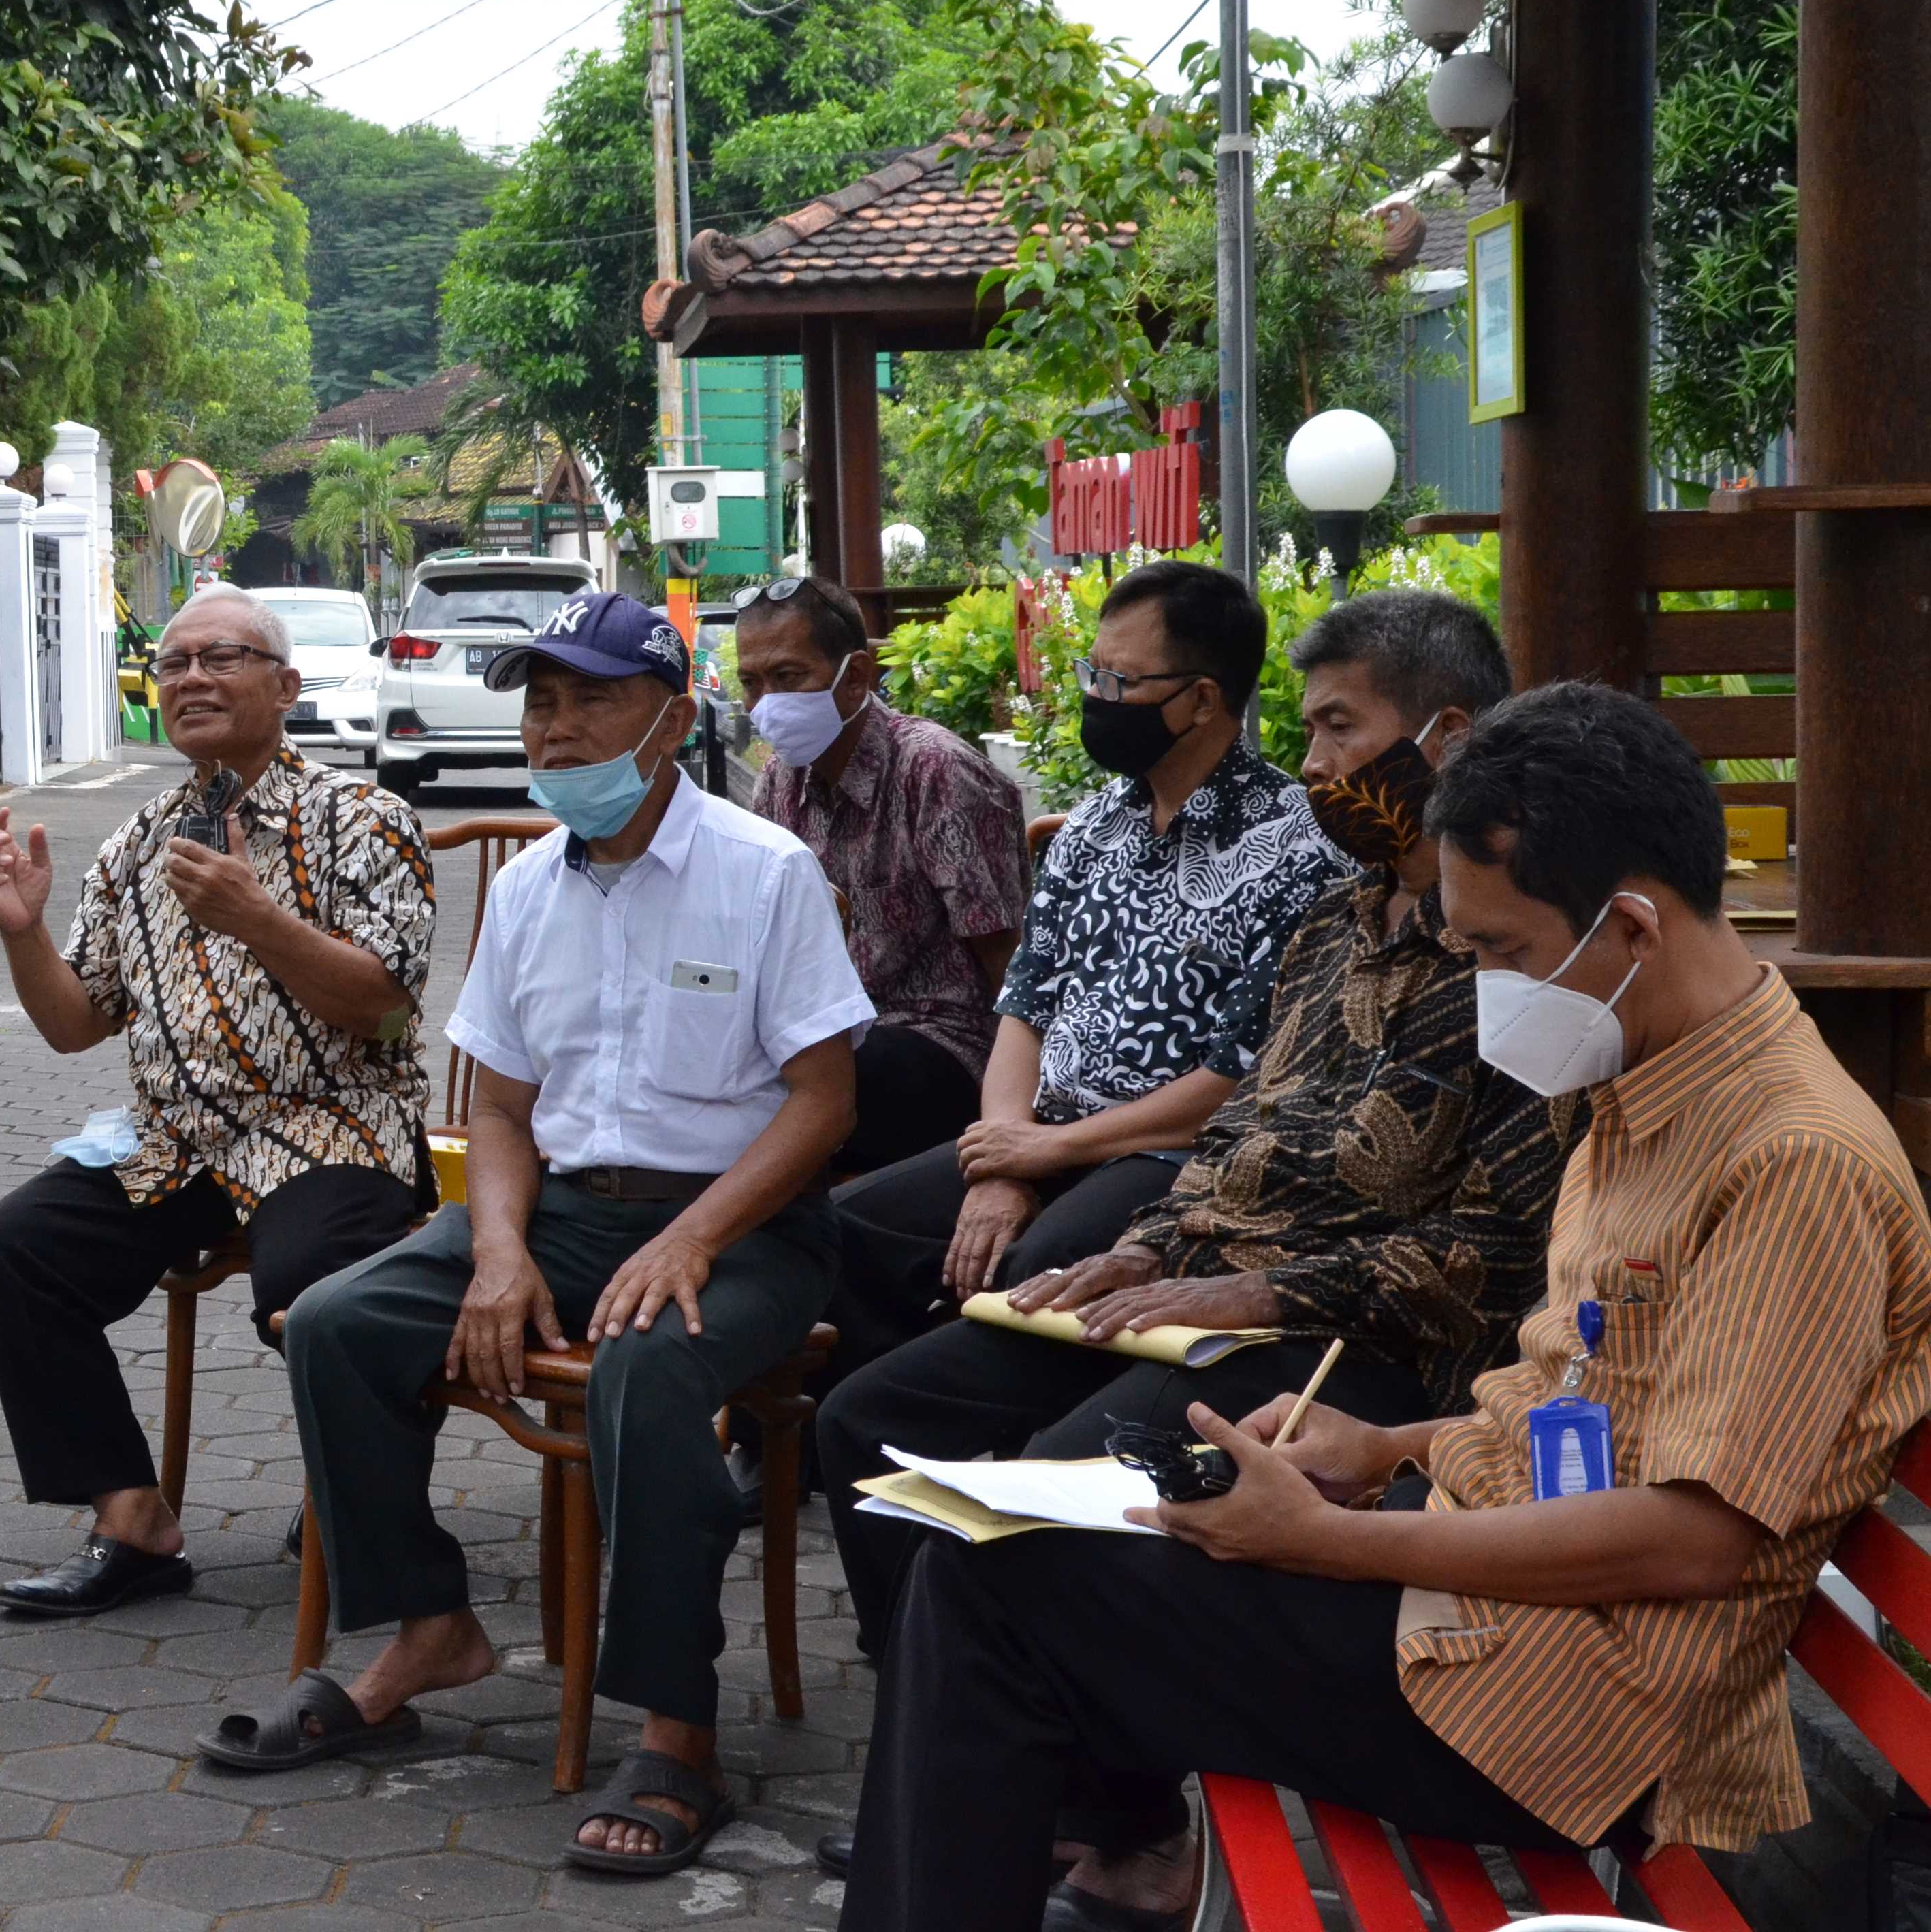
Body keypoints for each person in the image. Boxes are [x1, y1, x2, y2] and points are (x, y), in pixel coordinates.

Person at [839, 682, 1931, 1932]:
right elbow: (1591, 1407)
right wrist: (1384, 1451)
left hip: (1553, 1702)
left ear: (1627, 921)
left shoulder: (1788, 1159)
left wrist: (1319, 1539)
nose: (1482, 993)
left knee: (996, 1597)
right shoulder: (1649, 1081)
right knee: (996, 1558)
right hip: (1481, 1596)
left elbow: (1694, 1538)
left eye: (1500, 954)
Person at [814, 590, 1579, 1679]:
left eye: (1339, 729)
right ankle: (942, 1716)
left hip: (1331, 1343)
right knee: (867, 1415)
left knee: (1038, 1498)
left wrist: (1246, 1290)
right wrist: (1147, 1247)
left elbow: (1491, 1253)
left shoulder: (1520, 961)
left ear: (1446, 739)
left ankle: (1104, 1812)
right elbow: (1238, 1129)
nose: (1314, 764)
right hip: (1187, 1280)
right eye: (1310, 727)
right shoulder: (1339, 926)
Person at [226, 592, 872, 1878]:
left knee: (646, 1364)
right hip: (564, 1210)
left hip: (739, 1222)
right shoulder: (526, 886)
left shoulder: (764, 871)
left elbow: (823, 1100)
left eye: (591, 698)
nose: (556, 727)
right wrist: (502, 1249)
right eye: (537, 700)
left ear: (672, 717)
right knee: (341, 1319)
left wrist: (691, 1237)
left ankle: (677, 1730)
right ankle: (426, 1628)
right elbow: (505, 1109)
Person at [0, 585, 436, 1617]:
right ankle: (133, 1516)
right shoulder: (137, 843)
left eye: (220, 657)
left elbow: (385, 1007)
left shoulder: (365, 818)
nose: (189, 679)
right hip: (182, 1144)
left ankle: (358, 1496)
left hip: (333, 1126)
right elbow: (75, 1023)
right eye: (171, 663)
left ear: (286, 685)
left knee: (318, 1285)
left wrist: (258, 919)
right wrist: (21, 929)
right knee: (20, 1248)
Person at [824, 558, 1347, 1375]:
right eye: (1090, 673)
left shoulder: (1296, 847)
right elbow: (1024, 1004)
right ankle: (910, 1435)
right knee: (845, 1227)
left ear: (1202, 700)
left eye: (1118, 680)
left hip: (1168, 1153)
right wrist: (1006, 1149)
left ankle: (998, 1449)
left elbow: (1234, 1080)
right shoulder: (1093, 826)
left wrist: (1047, 1157)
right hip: (1043, 1128)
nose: (1095, 698)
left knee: (1045, 1260)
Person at [740, 574, 1029, 1174]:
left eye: (789, 678)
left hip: (942, 1043)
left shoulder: (937, 772)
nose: (767, 703)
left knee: (790, 1094)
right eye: (751, 683)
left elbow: (1010, 964)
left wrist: (1021, 1118)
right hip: (821, 1033)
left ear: (858, 678)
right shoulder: (779, 782)